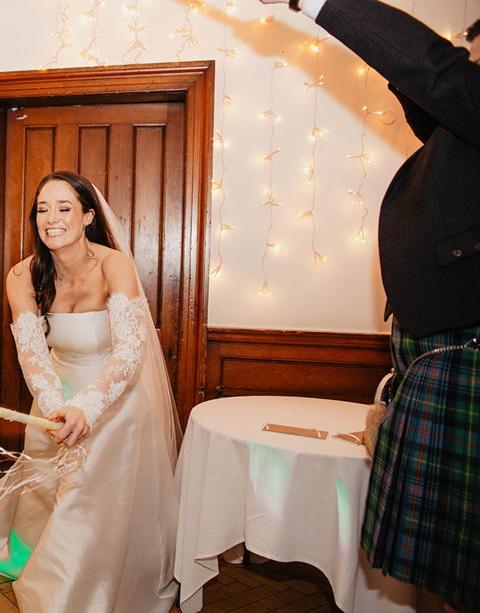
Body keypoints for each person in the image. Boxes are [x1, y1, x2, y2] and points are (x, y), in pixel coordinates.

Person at [260, 2, 480, 611]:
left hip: (464, 356)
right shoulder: (459, 133)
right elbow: (432, 96)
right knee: (447, 571)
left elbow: (438, 75)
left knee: (462, 570)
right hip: (436, 354)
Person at [0, 171, 182, 612]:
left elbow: (129, 352)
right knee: (43, 491)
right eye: (43, 209)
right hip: (53, 393)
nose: (51, 218)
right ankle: (32, 557)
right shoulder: (21, 274)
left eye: (64, 208)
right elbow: (32, 355)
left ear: (88, 216)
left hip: (115, 401)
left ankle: (79, 588)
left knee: (86, 499)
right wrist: (56, 409)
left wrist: (86, 408)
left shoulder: (115, 266)